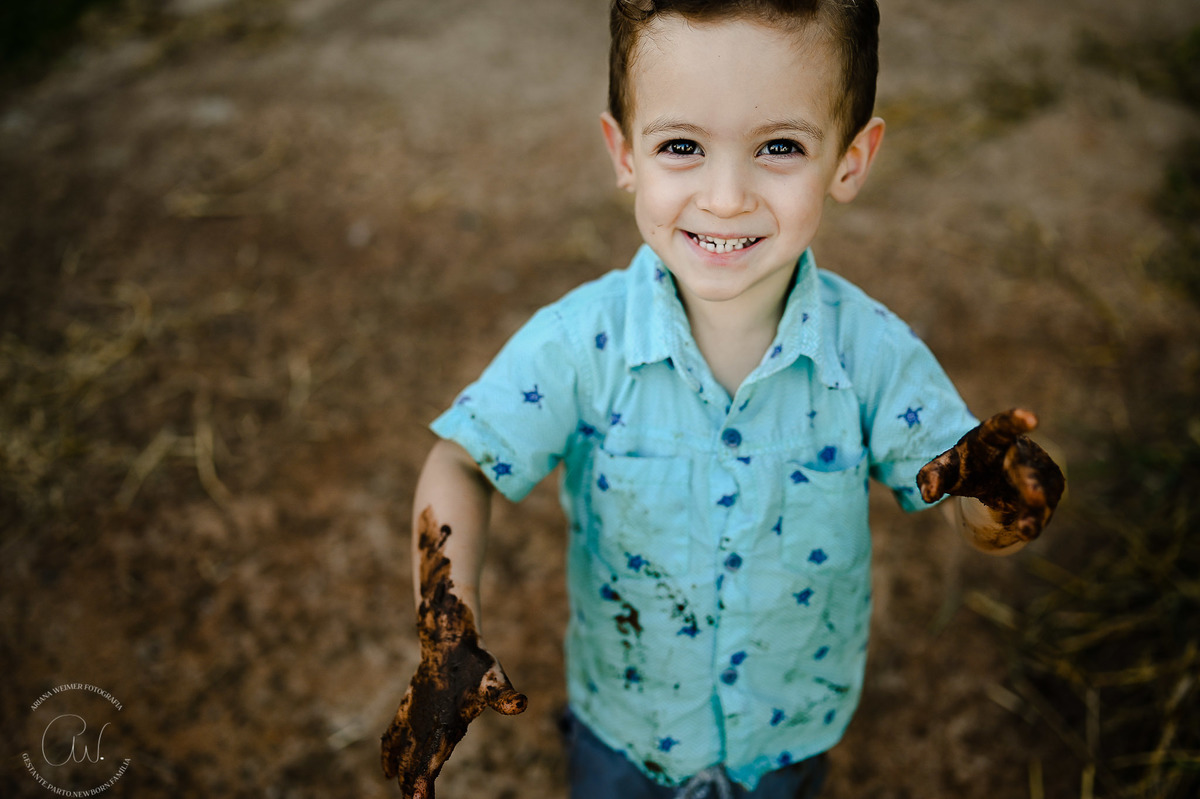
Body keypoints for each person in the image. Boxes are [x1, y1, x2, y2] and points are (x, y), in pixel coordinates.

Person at [380, 1, 1066, 798]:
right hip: (624, 732)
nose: (728, 195)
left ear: (850, 160)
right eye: (682, 146)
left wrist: (999, 500)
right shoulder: (578, 344)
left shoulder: (873, 356)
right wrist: (446, 630)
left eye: (780, 146)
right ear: (624, 153)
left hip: (790, 735)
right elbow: (461, 462)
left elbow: (971, 516)